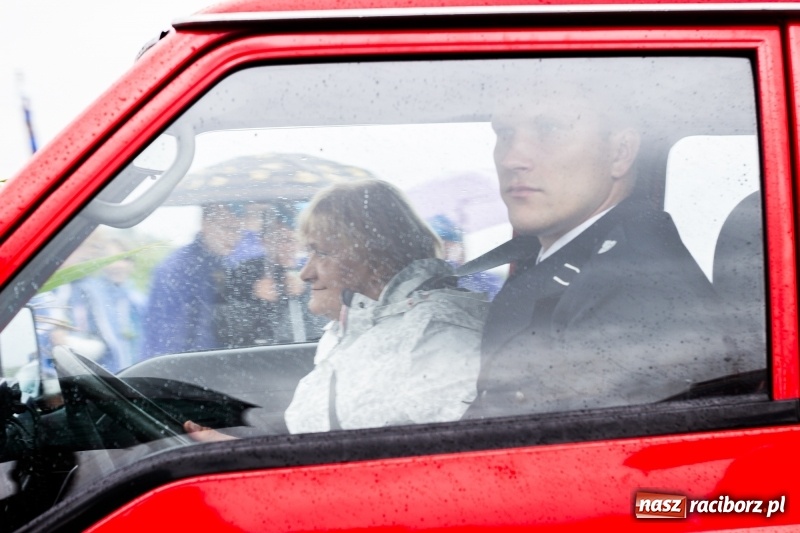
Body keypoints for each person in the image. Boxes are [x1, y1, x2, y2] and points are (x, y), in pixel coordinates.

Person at [464, 69, 756, 419]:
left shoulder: (638, 296)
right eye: (505, 133)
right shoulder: (590, 259)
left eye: (549, 129)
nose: (512, 158)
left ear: (620, 153)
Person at [187, 179, 488, 439]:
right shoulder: (360, 329)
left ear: (374, 258)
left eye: (321, 252)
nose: (305, 273)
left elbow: (413, 468)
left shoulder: (439, 338)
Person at [141, 203, 244, 358]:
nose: (235, 237)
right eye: (227, 228)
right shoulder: (175, 270)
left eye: (239, 230)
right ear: (206, 224)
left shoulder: (228, 265)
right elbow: (163, 339)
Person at [217, 204, 326, 347]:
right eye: (282, 240)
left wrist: (305, 291)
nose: (290, 247)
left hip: (309, 348)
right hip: (261, 352)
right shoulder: (245, 272)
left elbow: (328, 317)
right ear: (265, 241)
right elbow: (225, 327)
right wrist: (253, 296)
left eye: (295, 240)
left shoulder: (315, 267)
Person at [426, 214, 503, 300]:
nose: (443, 252)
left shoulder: (485, 280)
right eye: (437, 247)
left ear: (461, 247)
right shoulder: (423, 276)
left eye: (448, 246)